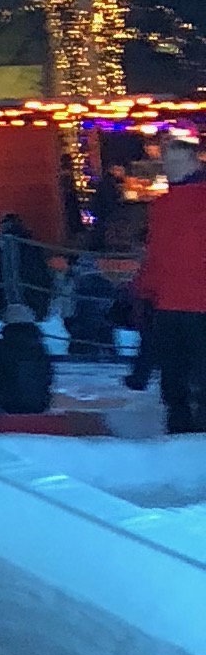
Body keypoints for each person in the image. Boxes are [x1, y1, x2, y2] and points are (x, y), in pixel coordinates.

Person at [130, 136, 206, 434]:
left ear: (192, 160)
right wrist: (146, 286)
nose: (167, 167)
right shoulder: (163, 205)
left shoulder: (167, 205)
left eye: (172, 160)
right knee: (179, 376)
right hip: (178, 301)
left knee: (179, 376)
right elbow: (158, 254)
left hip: (182, 302)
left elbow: (158, 254)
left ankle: (185, 432)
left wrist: (145, 288)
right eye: (166, 160)